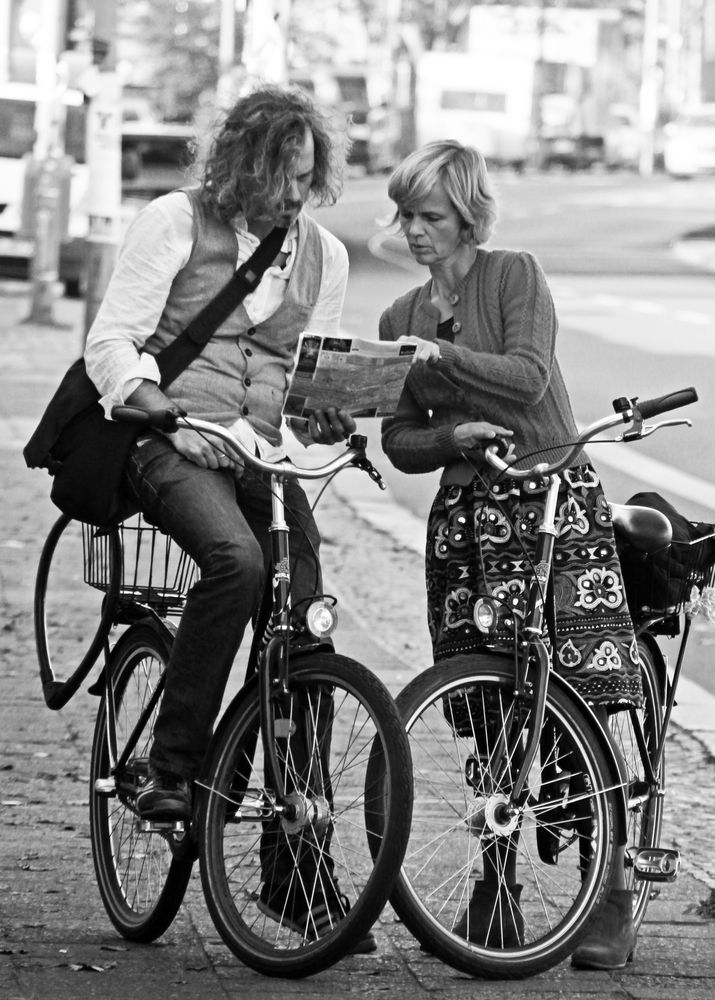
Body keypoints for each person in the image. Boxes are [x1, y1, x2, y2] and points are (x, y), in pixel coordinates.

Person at [84, 85, 375, 948]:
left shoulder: (323, 256)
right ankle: (169, 771)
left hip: (263, 453)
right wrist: (164, 413)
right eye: (282, 175)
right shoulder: (175, 222)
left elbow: (301, 374)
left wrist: (328, 412)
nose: (294, 195)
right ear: (243, 160)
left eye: (305, 177)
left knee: (307, 625)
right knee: (238, 564)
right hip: (166, 441)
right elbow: (109, 345)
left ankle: (292, 862)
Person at [378, 140, 641, 970]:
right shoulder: (397, 318)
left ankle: (611, 895)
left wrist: (441, 359)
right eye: (407, 216)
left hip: (552, 508)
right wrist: (448, 433)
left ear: (467, 216)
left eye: (431, 216)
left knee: (583, 699)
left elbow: (528, 379)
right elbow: (399, 443)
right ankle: (496, 885)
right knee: (490, 708)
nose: (415, 232)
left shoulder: (513, 274)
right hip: (465, 525)